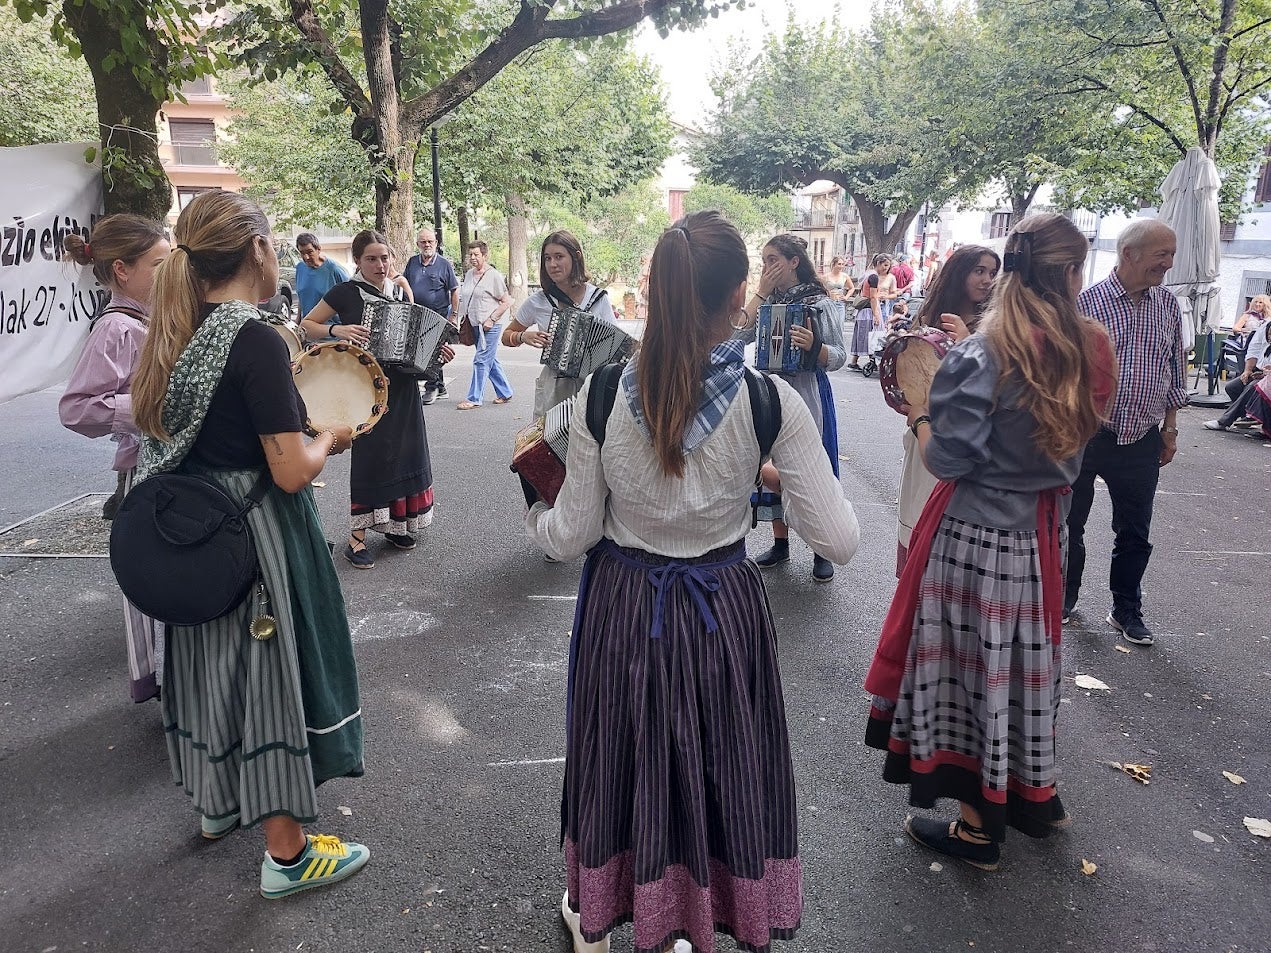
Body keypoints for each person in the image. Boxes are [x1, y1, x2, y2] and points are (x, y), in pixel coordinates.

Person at [528, 210, 860, 953]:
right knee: (717, 764)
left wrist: (533, 519)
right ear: (738, 293)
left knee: (623, 759)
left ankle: (616, 912)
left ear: (653, 291)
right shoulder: (771, 401)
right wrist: (764, 469)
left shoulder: (600, 395)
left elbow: (570, 535)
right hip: (719, 608)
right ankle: (697, 919)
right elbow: (838, 537)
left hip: (623, 607)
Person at [129, 190, 368, 896]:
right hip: (254, 533)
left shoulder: (179, 328)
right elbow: (291, 469)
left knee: (211, 667)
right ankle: (287, 854)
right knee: (268, 675)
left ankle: (216, 805)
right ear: (259, 249)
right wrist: (331, 435)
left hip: (190, 532)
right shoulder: (254, 336)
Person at [865, 213, 1117, 871]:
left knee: (971, 673)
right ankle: (1038, 794)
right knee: (1025, 668)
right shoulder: (1089, 345)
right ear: (1068, 273)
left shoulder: (984, 351)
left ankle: (978, 830)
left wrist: (919, 410)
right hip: (1038, 534)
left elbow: (948, 458)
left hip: (975, 539)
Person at [59, 214, 171, 703]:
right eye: (158, 264)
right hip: (143, 477)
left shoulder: (149, 317)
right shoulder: (117, 328)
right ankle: (167, 684)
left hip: (163, 471)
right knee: (158, 585)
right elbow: (77, 408)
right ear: (122, 270)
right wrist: (146, 411)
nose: (168, 274)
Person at [1065, 219, 1186, 647]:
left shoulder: (1169, 306)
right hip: (1086, 433)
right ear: (1129, 254)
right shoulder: (1085, 302)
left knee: (1135, 531)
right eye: (1161, 255)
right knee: (1070, 523)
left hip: (1142, 438)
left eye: (1171, 254)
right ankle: (1065, 597)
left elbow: (1174, 369)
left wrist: (1170, 430)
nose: (1168, 264)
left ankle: (1126, 610)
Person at [301, 229, 453, 570]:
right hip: (366, 390)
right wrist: (336, 330)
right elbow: (306, 324)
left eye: (385, 258)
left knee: (405, 454)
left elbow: (411, 347)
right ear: (357, 261)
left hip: (403, 389)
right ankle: (357, 537)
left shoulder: (399, 293)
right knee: (372, 458)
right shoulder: (345, 292)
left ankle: (395, 526)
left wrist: (435, 355)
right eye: (371, 258)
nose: (380, 264)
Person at [744, 233, 848, 582]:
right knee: (772, 462)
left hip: (808, 392)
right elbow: (733, 336)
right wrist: (758, 294)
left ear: (794, 262)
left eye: (773, 259)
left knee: (813, 466)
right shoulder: (765, 302)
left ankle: (822, 549)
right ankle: (780, 542)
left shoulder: (819, 303)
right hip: (772, 390)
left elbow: (839, 357)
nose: (768, 266)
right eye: (764, 260)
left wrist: (816, 348)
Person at [894, 245, 1000, 575]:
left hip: (963, 440)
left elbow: (997, 386)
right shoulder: (929, 316)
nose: (987, 279)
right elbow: (910, 378)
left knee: (949, 530)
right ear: (959, 273)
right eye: (978, 271)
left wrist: (970, 341)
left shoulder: (994, 325)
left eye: (992, 272)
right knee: (918, 511)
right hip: (923, 431)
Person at [501, 230, 617, 418]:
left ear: (576, 257)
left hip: (592, 387)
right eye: (547, 258)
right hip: (554, 388)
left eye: (559, 257)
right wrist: (523, 336)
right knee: (552, 444)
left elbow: (614, 346)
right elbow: (506, 337)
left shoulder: (598, 298)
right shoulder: (538, 301)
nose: (552, 264)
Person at [403, 227, 460, 405]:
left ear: (435, 243)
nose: (427, 245)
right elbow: (405, 285)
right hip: (417, 316)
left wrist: (454, 315)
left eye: (430, 241)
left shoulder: (443, 264)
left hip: (438, 315)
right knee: (421, 350)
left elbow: (454, 290)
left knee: (433, 351)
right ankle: (440, 386)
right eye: (423, 242)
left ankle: (432, 386)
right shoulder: (412, 262)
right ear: (418, 244)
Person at [456, 241, 514, 410]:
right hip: (474, 325)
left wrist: (492, 319)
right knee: (490, 360)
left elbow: (506, 301)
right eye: (471, 255)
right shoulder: (468, 275)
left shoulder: (493, 276)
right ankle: (505, 391)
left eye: (476, 254)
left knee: (481, 360)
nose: (473, 258)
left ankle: (474, 398)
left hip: (490, 326)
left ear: (485, 255)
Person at [849, 254, 893, 370]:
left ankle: (854, 362)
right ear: (878, 263)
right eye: (885, 265)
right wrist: (876, 315)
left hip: (862, 311)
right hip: (869, 310)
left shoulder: (867, 274)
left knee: (862, 336)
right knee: (872, 336)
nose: (886, 268)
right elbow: (873, 297)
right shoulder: (874, 277)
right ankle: (872, 361)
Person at [294, 232, 349, 316]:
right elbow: (302, 298)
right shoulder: (300, 268)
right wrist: (298, 321)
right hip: (307, 325)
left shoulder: (335, 270)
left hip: (330, 326)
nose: (306, 257)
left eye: (310, 252)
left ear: (318, 249)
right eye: (302, 253)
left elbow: (350, 300)